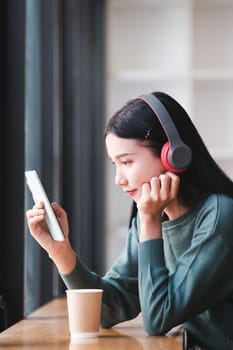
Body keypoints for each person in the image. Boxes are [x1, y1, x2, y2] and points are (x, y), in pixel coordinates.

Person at [26, 92, 233, 350]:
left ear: (172, 155)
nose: (119, 179)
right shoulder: (151, 214)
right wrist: (61, 251)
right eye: (115, 163)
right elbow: (109, 310)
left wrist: (149, 220)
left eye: (126, 162)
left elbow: (159, 318)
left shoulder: (220, 215)